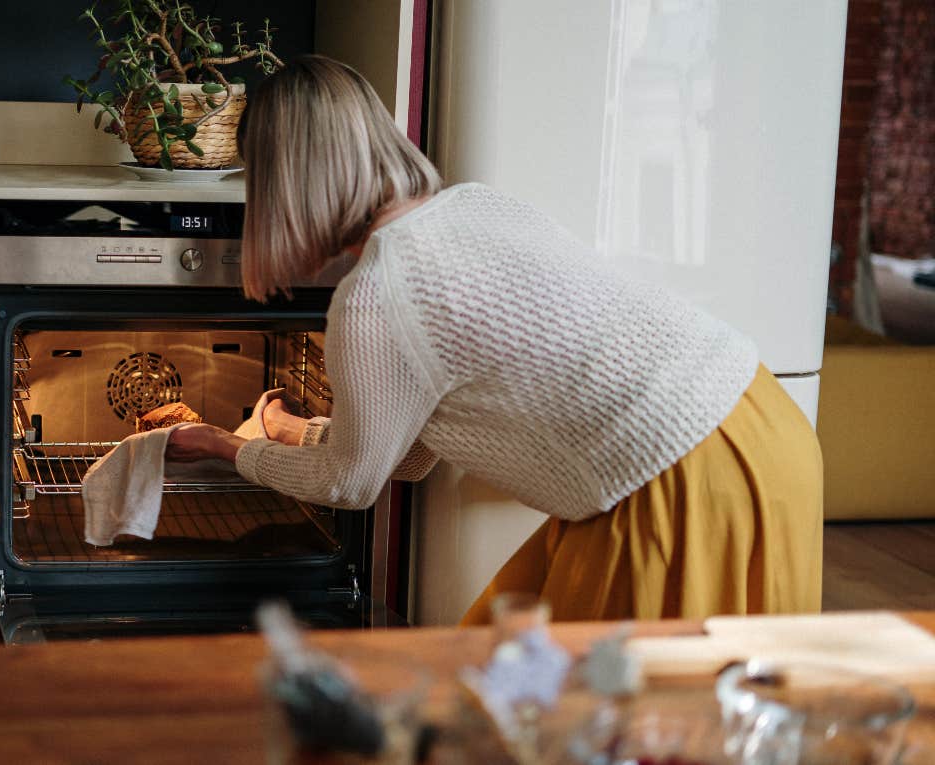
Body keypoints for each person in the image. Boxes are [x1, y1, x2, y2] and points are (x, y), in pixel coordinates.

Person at [166, 55, 822, 624]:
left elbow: (350, 485)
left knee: (618, 721)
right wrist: (284, 430)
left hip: (677, 485)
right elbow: (410, 455)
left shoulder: (373, 295)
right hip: (760, 427)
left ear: (287, 183)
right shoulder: (476, 206)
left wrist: (224, 446)